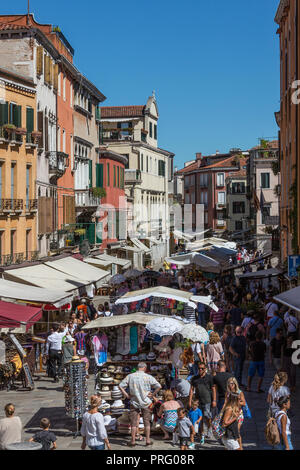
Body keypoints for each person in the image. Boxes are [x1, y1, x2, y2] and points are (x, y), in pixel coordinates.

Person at [119, 362, 161, 447]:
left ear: (138, 368)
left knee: (133, 423)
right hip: (146, 402)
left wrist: (126, 395)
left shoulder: (130, 376)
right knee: (147, 422)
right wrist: (153, 395)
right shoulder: (148, 377)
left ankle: (133, 441)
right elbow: (159, 386)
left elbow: (120, 386)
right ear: (145, 368)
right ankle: (148, 440)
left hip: (134, 402)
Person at [189, 362, 216, 445]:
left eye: (202, 368)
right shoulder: (194, 378)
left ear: (205, 369)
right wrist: (190, 401)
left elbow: (214, 389)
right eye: (199, 368)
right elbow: (191, 390)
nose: (200, 370)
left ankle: (209, 429)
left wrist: (214, 400)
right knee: (199, 418)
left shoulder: (209, 378)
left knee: (208, 417)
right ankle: (201, 434)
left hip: (207, 400)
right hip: (197, 402)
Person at [223, 377, 246, 449]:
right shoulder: (227, 392)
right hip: (230, 412)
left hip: (238, 413)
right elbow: (225, 402)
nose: (230, 385)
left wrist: (236, 402)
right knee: (229, 430)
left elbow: (244, 403)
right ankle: (229, 446)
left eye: (232, 383)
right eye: (229, 384)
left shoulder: (239, 392)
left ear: (235, 384)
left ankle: (240, 447)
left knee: (237, 431)